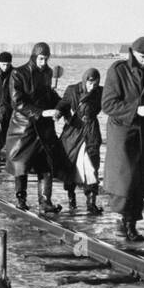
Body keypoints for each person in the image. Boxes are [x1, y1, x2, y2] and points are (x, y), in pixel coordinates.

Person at [101, 36, 144, 242]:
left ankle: (132, 225)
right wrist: (137, 109)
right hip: (122, 131)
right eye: (142, 57)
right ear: (133, 53)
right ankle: (122, 221)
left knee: (140, 180)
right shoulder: (118, 70)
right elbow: (108, 105)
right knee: (123, 180)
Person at [6, 42, 70, 213]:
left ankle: (45, 201)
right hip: (24, 126)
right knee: (21, 163)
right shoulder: (18, 74)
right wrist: (41, 113)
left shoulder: (48, 72)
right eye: (41, 58)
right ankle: (21, 199)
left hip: (44, 126)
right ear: (34, 57)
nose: (44, 62)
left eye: (46, 59)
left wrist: (60, 106)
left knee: (46, 163)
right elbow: (17, 102)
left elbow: (48, 93)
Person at [58, 67, 104, 214]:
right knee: (71, 164)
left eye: (95, 84)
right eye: (90, 84)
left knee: (92, 164)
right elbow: (64, 103)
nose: (92, 87)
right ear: (85, 81)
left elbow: (110, 103)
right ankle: (71, 199)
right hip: (74, 130)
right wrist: (59, 112)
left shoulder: (100, 92)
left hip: (91, 130)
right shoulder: (72, 90)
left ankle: (91, 203)